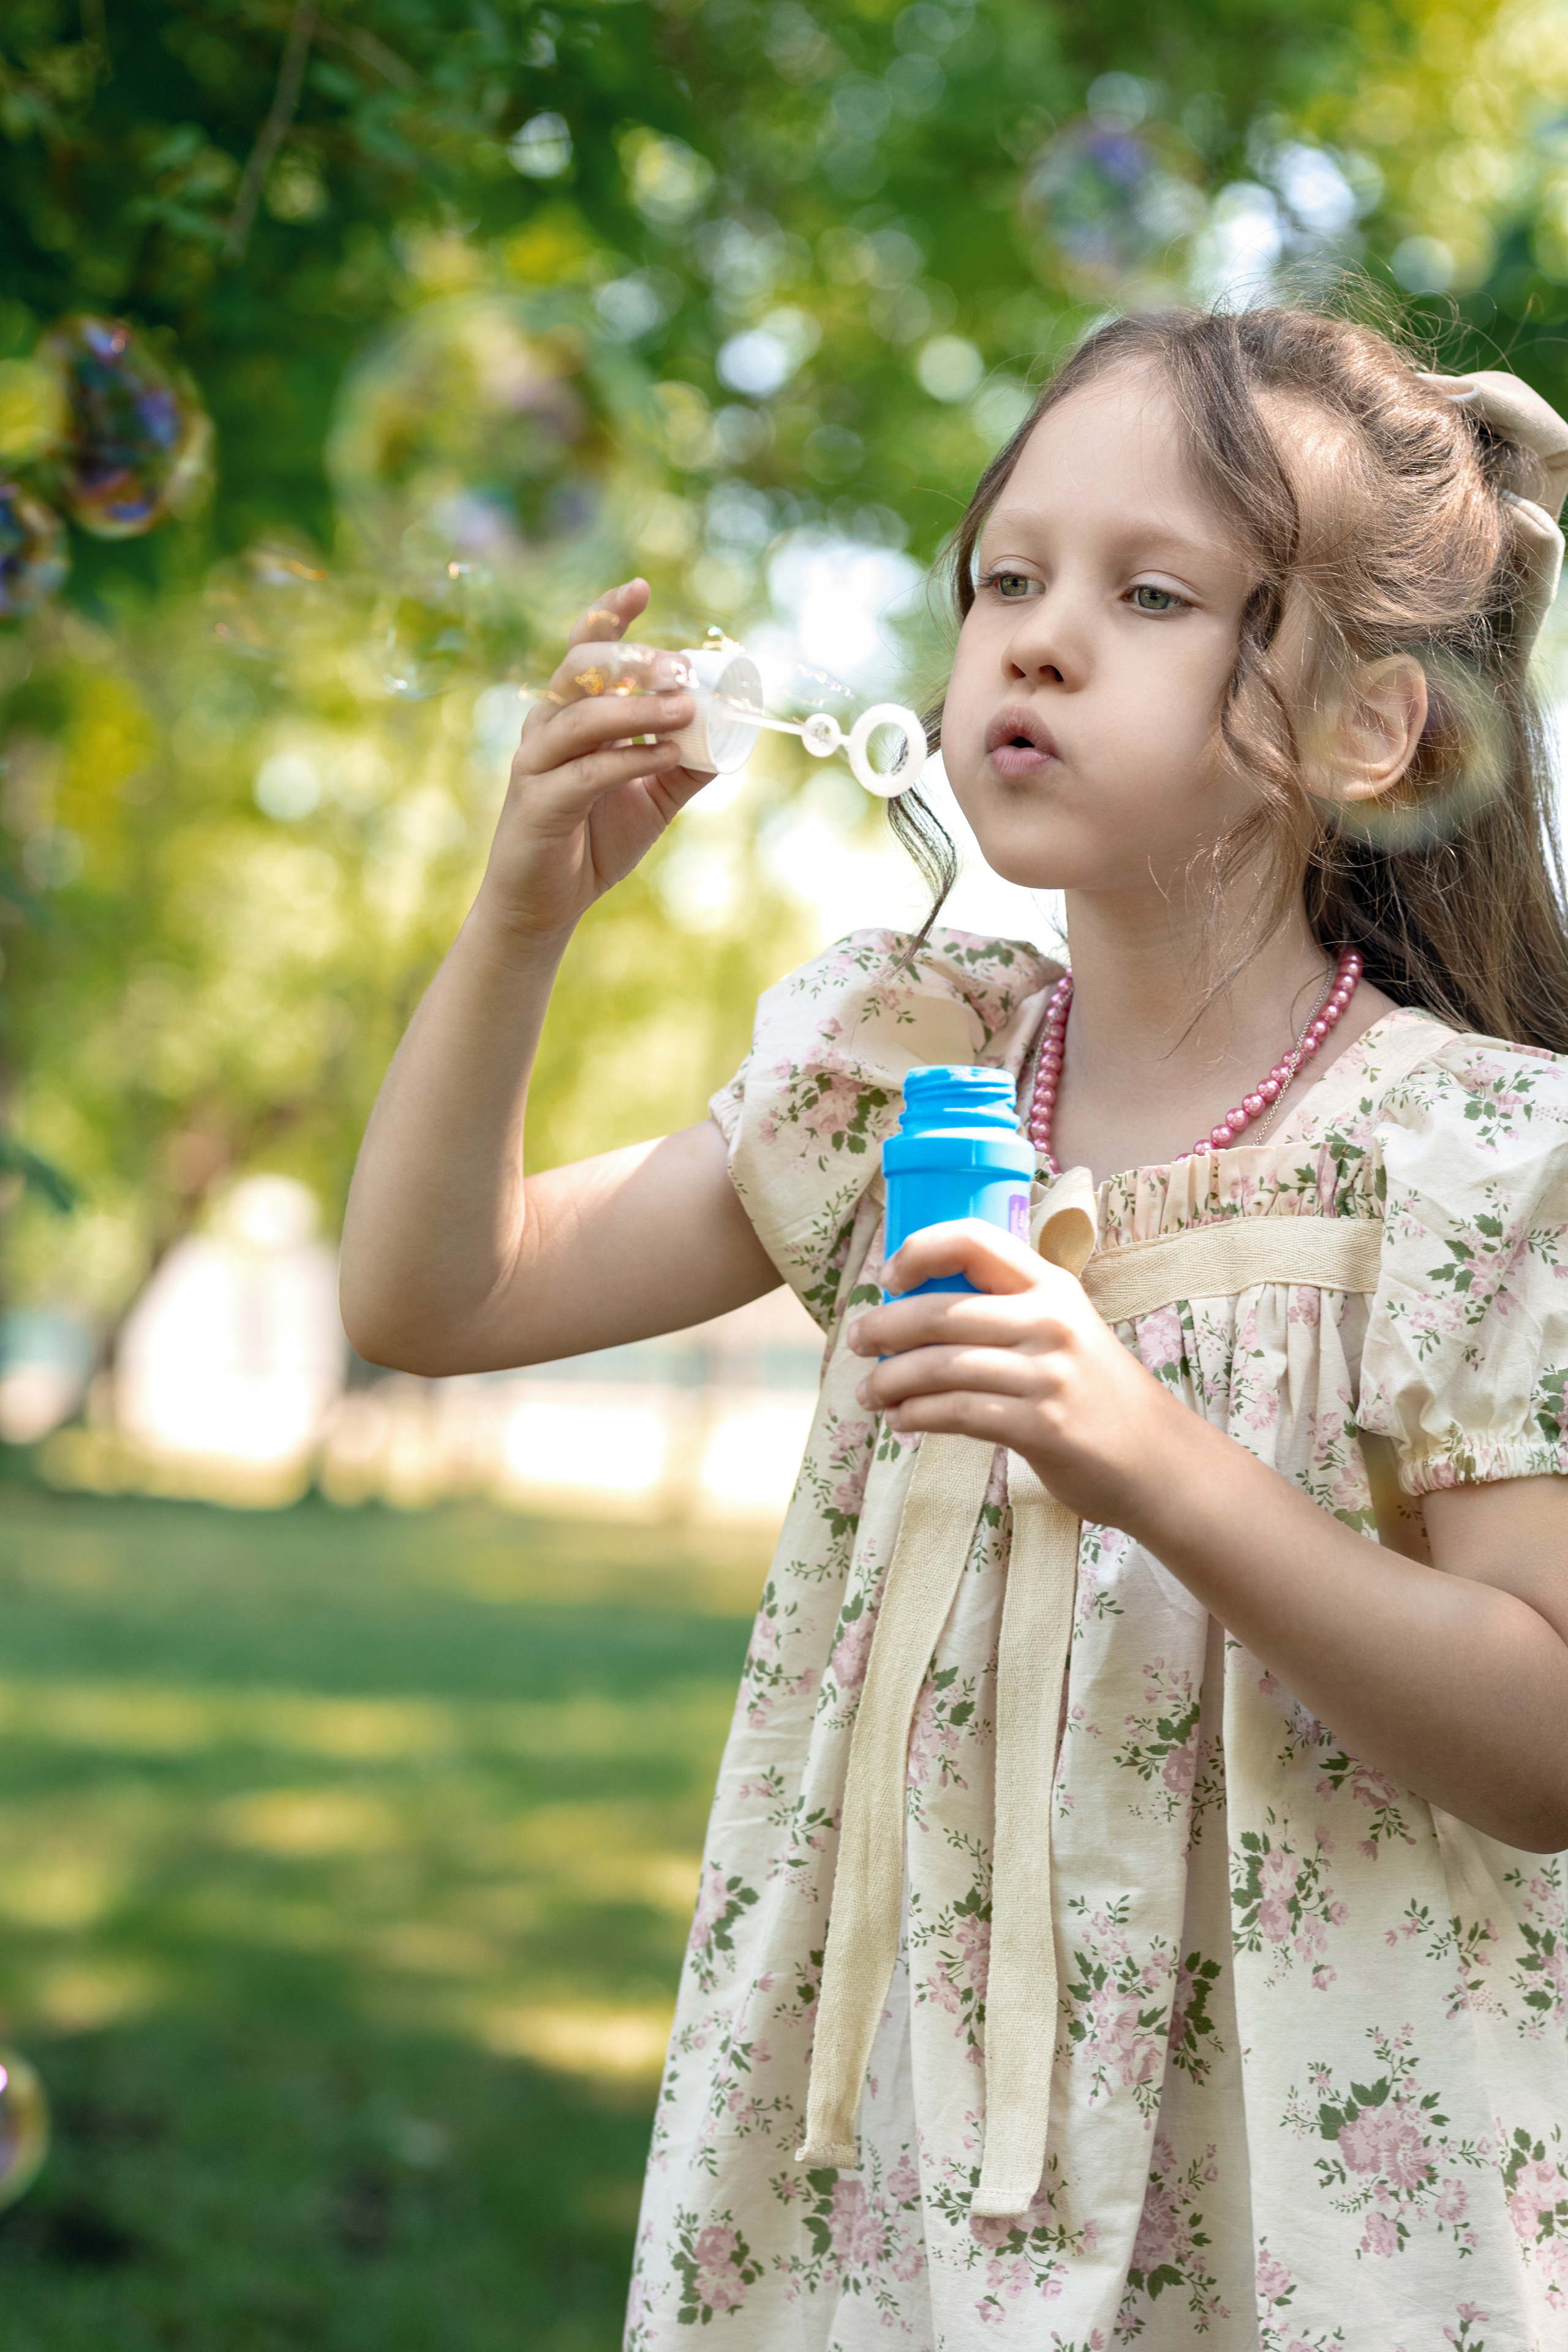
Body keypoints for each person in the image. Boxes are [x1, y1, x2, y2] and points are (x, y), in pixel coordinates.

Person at [340, 304, 1568, 2350]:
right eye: (1007, 577)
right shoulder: (910, 1074)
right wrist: (521, 922)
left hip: (1303, 2179)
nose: (1037, 637)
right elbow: (433, 1295)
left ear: (1373, 730)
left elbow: (1542, 1741)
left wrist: (1144, 1451)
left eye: (1149, 592)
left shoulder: (1468, 1164)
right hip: (900, 2143)